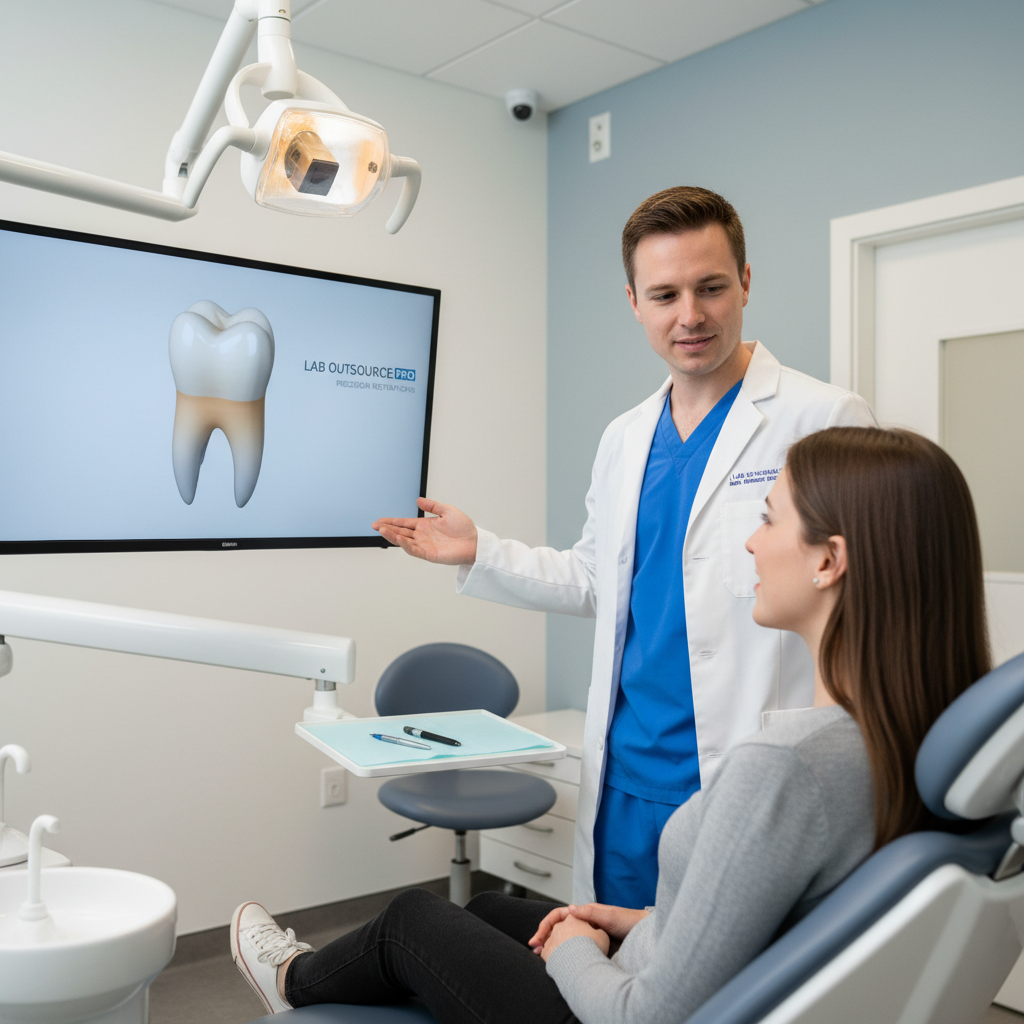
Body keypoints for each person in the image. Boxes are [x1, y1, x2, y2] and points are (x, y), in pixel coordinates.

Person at [232, 427, 989, 1024]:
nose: (752, 543)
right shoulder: (911, 738)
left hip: (623, 1015)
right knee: (496, 910)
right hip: (676, 972)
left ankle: (291, 979)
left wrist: (572, 950)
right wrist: (643, 925)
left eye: (767, 519)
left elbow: (649, 1015)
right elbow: (784, 917)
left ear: (829, 561)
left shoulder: (788, 765)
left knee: (411, 920)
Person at [372, 186, 876, 908]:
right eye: (665, 294)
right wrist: (479, 551)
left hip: (744, 765)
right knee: (613, 976)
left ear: (746, 282)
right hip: (626, 776)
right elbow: (592, 577)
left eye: (711, 288)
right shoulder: (624, 436)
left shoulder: (822, 417)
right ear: (634, 302)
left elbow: (866, 603)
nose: (690, 316)